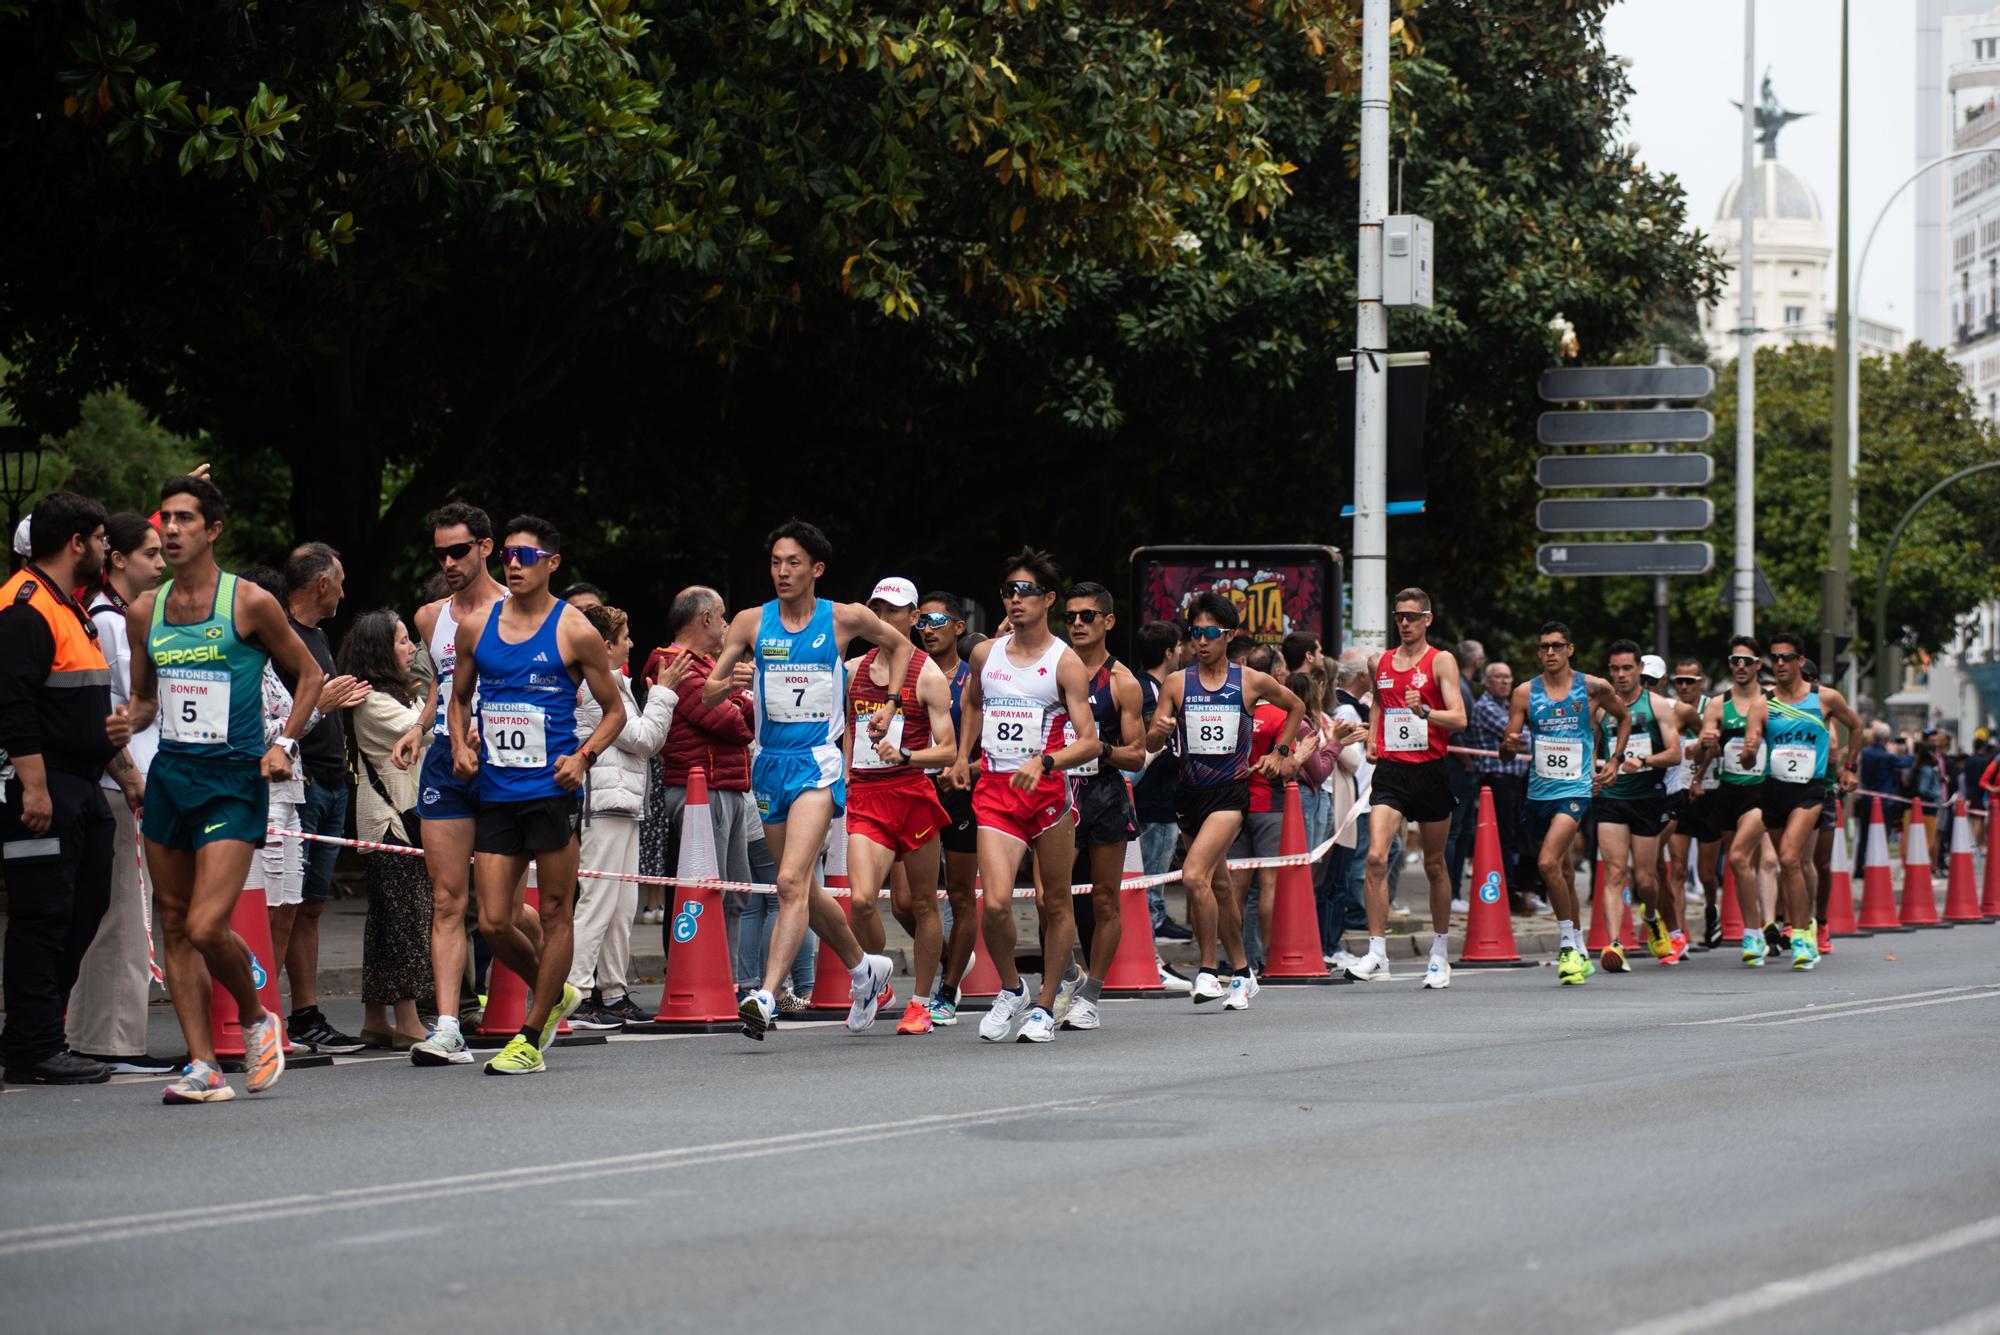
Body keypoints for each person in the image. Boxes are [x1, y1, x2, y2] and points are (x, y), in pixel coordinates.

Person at [109, 474, 325, 1103]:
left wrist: (283, 744)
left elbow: (310, 676)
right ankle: (203, 1065)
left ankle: (257, 1019)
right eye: (164, 520)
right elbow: (149, 702)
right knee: (174, 924)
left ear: (213, 530)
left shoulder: (250, 603)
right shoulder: (144, 611)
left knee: (207, 925)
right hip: (172, 777)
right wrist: (131, 721)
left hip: (232, 780)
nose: (170, 530)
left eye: (184, 519)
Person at [703, 520, 907, 1041]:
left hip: (819, 762)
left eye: (793, 562)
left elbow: (900, 646)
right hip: (769, 761)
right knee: (799, 886)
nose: (782, 572)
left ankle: (765, 996)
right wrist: (733, 682)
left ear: (816, 569)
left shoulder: (843, 618)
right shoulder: (751, 622)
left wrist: (889, 704)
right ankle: (865, 969)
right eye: (775, 562)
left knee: (791, 881)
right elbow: (707, 693)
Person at [447, 515, 626, 1074]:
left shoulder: (575, 631)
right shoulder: (476, 626)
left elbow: (615, 711)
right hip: (497, 790)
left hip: (552, 791)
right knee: (496, 920)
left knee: (554, 912)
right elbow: (456, 698)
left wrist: (584, 756)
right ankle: (555, 995)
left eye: (527, 556)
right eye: (508, 556)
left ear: (552, 562)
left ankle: (530, 1035)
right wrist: (459, 744)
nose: (514, 565)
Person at [944, 548, 1102, 1041]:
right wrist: (960, 755)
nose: (1015, 600)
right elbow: (972, 703)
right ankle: (1012, 989)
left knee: (1054, 903)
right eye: (1008, 591)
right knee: (992, 904)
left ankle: (1046, 1001)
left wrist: (1047, 761)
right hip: (995, 791)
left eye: (1026, 591)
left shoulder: (1066, 663)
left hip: (1049, 794)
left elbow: (1091, 740)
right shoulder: (985, 654)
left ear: (1048, 599)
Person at [0, 493, 119, 1086]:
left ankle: (35, 1032)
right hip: (42, 787)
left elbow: (88, 706)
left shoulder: (67, 607)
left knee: (81, 907)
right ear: (76, 543)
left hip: (79, 786)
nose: (106, 549)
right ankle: (33, 1044)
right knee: (42, 915)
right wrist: (35, 789)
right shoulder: (24, 608)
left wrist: (126, 776)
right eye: (100, 539)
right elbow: (13, 705)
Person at [1144, 591, 1312, 1008]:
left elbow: (1296, 706)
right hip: (1189, 794)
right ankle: (1242, 971)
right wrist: (1159, 732)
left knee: (1195, 875)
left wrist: (1281, 752)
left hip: (1230, 795)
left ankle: (1207, 970)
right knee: (1219, 886)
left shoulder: (1249, 680)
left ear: (1228, 635)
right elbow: (1149, 739)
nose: (1200, 641)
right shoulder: (1176, 683)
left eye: (1209, 633)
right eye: (1194, 632)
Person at [67, 512, 178, 1075]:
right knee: (126, 922)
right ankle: (113, 1042)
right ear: (117, 560)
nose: (161, 563)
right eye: (151, 553)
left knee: (124, 917)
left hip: (134, 784)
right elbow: (107, 708)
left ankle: (93, 1035)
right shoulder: (108, 623)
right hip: (123, 786)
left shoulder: (120, 618)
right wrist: (131, 776)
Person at [410, 503, 512, 1066]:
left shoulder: (519, 610)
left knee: (503, 911)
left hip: (507, 762)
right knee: (448, 899)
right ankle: (449, 1026)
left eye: (458, 551)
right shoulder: (430, 618)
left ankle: (553, 981)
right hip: (448, 762)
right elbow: (442, 687)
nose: (448, 562)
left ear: (485, 547)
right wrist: (419, 728)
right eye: (440, 553)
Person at [841, 576, 958, 1035]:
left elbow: (949, 750)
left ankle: (922, 1002)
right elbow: (848, 727)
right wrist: (849, 768)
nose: (884, 619)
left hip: (911, 793)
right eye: (877, 609)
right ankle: (876, 976)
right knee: (863, 901)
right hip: (867, 795)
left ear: (913, 618)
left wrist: (908, 754)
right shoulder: (853, 669)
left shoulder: (927, 674)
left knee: (924, 903)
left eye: (894, 611)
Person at [1346, 589, 1468, 989]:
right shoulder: (1380, 661)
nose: (1404, 623)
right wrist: (1372, 739)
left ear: (1427, 619)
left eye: (1412, 616)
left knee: (1435, 865)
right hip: (1393, 773)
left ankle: (1438, 951)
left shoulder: (1441, 661)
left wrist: (1426, 711)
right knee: (1376, 858)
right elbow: (1380, 703)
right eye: (1399, 615)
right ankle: (1376, 952)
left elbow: (1459, 719)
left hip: (1431, 770)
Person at [568, 605, 683, 1029]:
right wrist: (664, 693)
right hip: (601, 802)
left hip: (621, 801)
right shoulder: (592, 687)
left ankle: (612, 993)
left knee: (621, 905)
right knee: (598, 901)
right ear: (604, 645)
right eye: (625, 636)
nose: (631, 643)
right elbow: (644, 739)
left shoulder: (611, 683)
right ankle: (576, 994)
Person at [276, 541, 367, 1055]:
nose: (345, 589)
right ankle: (270, 1010)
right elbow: (274, 709)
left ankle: (306, 1014)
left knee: (310, 906)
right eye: (341, 579)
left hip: (333, 783)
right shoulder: (279, 635)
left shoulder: (318, 636)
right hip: (299, 785)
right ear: (321, 585)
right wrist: (323, 701)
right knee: (286, 905)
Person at [1501, 620, 1628, 987]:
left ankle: (1568, 947)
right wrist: (1507, 746)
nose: (1551, 653)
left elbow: (1624, 718)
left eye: (1557, 646)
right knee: (1564, 872)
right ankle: (1581, 947)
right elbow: (1507, 753)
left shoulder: (1593, 687)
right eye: (1544, 647)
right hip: (1538, 792)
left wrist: (1615, 761)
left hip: (1575, 791)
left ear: (1570, 649)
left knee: (1546, 864)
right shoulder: (1525, 693)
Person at [1724, 632, 1862, 971]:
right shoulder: (1764, 703)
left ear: (1800, 661)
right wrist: (1749, 752)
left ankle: (1801, 935)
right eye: (1776, 658)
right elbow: (1749, 750)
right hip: (1774, 789)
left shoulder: (1825, 698)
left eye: (1787, 658)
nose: (1781, 664)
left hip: (1810, 789)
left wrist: (1849, 768)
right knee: (1792, 865)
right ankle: (1804, 928)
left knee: (1788, 858)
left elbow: (1856, 727)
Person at [642, 585, 757, 987]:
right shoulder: (672, 663)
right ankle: (705, 979)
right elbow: (730, 724)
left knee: (735, 891)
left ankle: (728, 981)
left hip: (726, 786)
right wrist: (742, 698)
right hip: (700, 790)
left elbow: (734, 714)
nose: (727, 624)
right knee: (710, 892)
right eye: (723, 615)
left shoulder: (704, 666)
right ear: (705, 618)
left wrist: (737, 698)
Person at [339, 609, 433, 1049]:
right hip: (390, 821)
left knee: (384, 922)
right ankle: (409, 1021)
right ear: (380, 649)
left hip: (397, 819)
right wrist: (444, 690)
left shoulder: (400, 695)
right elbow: (422, 732)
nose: (411, 647)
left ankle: (376, 1018)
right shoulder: (372, 700)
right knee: (407, 920)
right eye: (401, 641)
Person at [1057, 581, 1146, 1031]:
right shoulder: (1050, 670)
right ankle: (1067, 976)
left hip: (1104, 795)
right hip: (1057, 795)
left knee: (1105, 900)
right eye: (1070, 616)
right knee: (1051, 897)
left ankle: (1091, 994)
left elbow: (1137, 753)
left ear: (1108, 621)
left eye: (1086, 616)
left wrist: (1099, 750)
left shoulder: (1123, 682)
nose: (1076, 623)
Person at [1590, 640, 1683, 973]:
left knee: (1645, 880)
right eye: (1614, 669)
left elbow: (1675, 753)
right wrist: (1593, 772)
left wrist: (1643, 760)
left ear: (1640, 669)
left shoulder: (1657, 705)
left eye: (1627, 668)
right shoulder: (1601, 707)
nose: (1620, 675)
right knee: (1614, 872)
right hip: (1613, 798)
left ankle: (1651, 918)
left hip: (1648, 798)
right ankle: (1614, 943)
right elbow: (1591, 745)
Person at [916, 591, 981, 1020]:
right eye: (921, 621)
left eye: (937, 621)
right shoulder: (905, 673)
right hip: (912, 793)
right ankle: (951, 954)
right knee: (906, 902)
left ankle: (948, 990)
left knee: (960, 895)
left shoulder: (973, 681)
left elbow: (995, 744)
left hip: (961, 794)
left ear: (959, 627)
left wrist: (968, 769)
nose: (927, 629)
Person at [1697, 637, 1774, 966]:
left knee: (1742, 858)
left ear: (1758, 665)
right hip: (1727, 790)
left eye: (1747, 661)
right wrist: (1706, 742)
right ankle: (1762, 925)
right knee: (1743, 864)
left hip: (1761, 791)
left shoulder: (1772, 701)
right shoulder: (1717, 704)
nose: (1740, 666)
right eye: (1735, 661)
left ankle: (1754, 934)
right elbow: (1705, 747)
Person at [1132, 619, 1193, 945]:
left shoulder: (1153, 688)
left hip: (1163, 797)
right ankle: (1150, 937)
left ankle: (1154, 925)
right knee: (1151, 873)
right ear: (1169, 651)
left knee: (1156, 870)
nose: (1185, 651)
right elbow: (1146, 744)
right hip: (1152, 797)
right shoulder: (1147, 691)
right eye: (1181, 646)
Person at [1461, 659, 1532, 914]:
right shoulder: (1486, 707)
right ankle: (1505, 892)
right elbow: (1519, 737)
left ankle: (1514, 889)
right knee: (1503, 838)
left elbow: (1523, 738)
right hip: (1497, 782)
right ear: (1487, 682)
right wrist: (1525, 737)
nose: (1504, 681)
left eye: (1507, 677)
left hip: (1514, 781)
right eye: (1498, 677)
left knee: (1515, 837)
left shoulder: (1506, 706)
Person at [1663, 658, 1722, 948]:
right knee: (1677, 868)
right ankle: (1678, 934)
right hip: (1678, 793)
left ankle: (1711, 911)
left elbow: (1717, 747)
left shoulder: (1712, 708)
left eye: (1690, 681)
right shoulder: (1668, 710)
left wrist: (1699, 776)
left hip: (1708, 793)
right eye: (1679, 681)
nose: (1684, 686)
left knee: (1707, 873)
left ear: (1701, 682)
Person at [1443, 637, 1486, 904]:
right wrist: (1467, 761)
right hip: (1458, 768)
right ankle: (1450, 892)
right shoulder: (1459, 687)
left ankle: (1455, 890)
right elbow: (1455, 727)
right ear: (1475, 661)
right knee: (1455, 831)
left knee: (1463, 830)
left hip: (1463, 767)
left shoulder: (1464, 686)